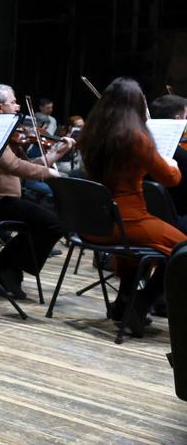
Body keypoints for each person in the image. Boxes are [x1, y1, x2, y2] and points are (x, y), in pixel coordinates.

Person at [80, 79, 184, 335]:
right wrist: (172, 164)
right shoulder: (136, 137)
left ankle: (122, 303)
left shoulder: (91, 133)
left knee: (138, 250)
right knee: (183, 251)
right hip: (126, 222)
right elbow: (170, 179)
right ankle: (141, 303)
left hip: (92, 222)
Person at [0, 84, 74, 303]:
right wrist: (47, 172)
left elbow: (26, 165)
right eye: (13, 102)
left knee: (53, 220)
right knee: (53, 223)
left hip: (9, 201)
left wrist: (56, 154)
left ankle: (6, 269)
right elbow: (13, 166)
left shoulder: (7, 133)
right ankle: (2, 267)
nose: (18, 106)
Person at [150, 94, 187, 224]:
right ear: (178, 120)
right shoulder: (180, 155)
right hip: (176, 218)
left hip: (151, 214)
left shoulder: (142, 150)